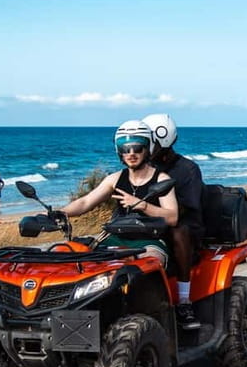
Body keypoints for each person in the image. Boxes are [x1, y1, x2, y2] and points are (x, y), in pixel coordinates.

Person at [59, 120, 178, 267]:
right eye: (125, 149)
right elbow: (85, 202)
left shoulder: (161, 179)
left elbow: (173, 217)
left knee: (150, 263)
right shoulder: (114, 179)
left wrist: (142, 205)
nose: (131, 154)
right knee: (82, 264)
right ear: (119, 151)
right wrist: (59, 213)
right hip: (116, 238)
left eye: (137, 148)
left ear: (148, 148)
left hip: (150, 241)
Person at [142, 113, 205, 329]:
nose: (144, 147)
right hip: (149, 229)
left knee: (179, 230)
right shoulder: (143, 169)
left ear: (163, 141)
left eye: (149, 141)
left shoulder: (187, 170)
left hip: (183, 231)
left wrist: (152, 212)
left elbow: (183, 209)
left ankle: (184, 301)